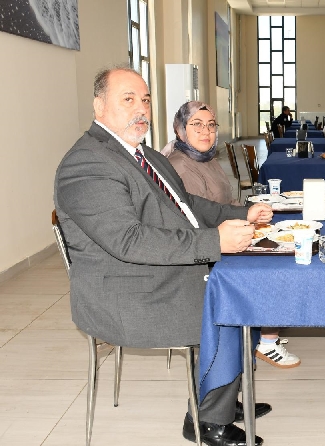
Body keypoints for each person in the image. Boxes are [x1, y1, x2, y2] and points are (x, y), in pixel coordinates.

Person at [54, 67, 274, 446]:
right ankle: (207, 421)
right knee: (233, 298)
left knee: (248, 282)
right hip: (128, 293)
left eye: (145, 99)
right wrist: (214, 243)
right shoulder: (87, 163)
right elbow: (129, 241)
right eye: (128, 99)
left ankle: (219, 394)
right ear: (99, 106)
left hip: (152, 271)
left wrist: (243, 213)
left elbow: (189, 206)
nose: (141, 109)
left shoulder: (146, 155)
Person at [162, 100, 301, 369]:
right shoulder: (182, 166)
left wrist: (249, 213)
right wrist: (245, 222)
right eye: (197, 124)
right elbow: (198, 220)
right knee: (275, 265)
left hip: (223, 235)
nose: (206, 131)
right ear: (180, 130)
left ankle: (263, 328)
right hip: (206, 252)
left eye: (211, 125)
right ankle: (267, 341)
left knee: (282, 243)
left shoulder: (205, 158)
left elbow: (224, 203)